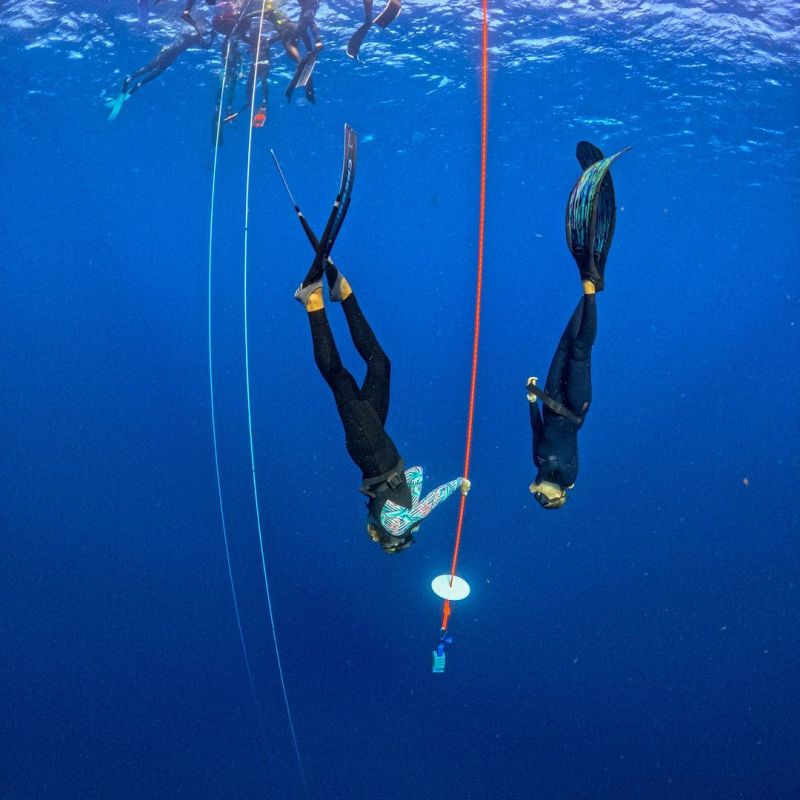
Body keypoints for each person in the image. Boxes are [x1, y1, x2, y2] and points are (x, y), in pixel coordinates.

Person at [291, 126, 470, 553]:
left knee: (341, 381)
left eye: (399, 538)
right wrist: (426, 492)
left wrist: (456, 487)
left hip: (367, 445)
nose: (405, 534)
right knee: (381, 364)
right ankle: (343, 294)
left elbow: (420, 501)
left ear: (388, 535)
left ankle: (312, 304)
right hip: (381, 443)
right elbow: (418, 476)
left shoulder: (393, 522)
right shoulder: (400, 515)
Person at [527, 141, 629, 509]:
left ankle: (589, 286)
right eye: (545, 496)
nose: (539, 489)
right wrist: (549, 488)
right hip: (574, 405)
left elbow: (536, 431)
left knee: (564, 342)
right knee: (582, 350)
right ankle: (591, 292)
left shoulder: (537, 463)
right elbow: (565, 438)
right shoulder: (568, 476)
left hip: (550, 398)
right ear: (558, 496)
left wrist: (531, 401)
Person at [106, 28, 214, 120]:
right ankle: (128, 80)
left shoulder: (196, 38)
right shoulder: (190, 33)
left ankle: (134, 88)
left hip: (170, 59)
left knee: (150, 77)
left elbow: (207, 47)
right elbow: (185, 34)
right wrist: (205, 32)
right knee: (148, 69)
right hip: (165, 53)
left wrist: (212, 36)